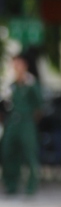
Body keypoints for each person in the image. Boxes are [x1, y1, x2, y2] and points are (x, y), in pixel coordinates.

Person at [2, 51, 42, 196]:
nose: (15, 67)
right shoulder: (11, 85)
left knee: (30, 155)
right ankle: (11, 185)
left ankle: (31, 187)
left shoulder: (31, 84)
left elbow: (39, 106)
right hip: (12, 122)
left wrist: (31, 120)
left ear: (25, 65)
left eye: (18, 63)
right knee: (8, 153)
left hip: (27, 123)